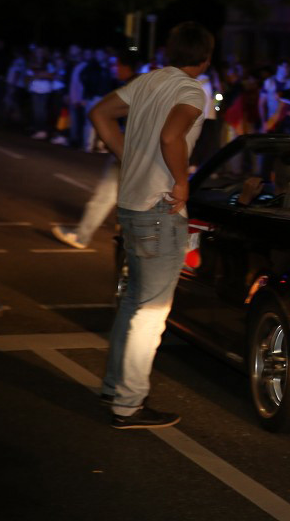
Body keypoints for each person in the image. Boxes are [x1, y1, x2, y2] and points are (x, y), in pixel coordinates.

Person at [89, 22, 212, 429]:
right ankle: (129, 404)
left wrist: (129, 156)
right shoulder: (193, 90)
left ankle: (114, 388)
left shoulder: (147, 82)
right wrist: (181, 180)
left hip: (131, 203)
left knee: (133, 302)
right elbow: (171, 135)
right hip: (160, 208)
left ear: (170, 51)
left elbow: (100, 113)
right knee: (152, 312)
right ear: (206, 57)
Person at [52, 51, 141, 249]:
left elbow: (102, 112)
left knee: (107, 196)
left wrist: (112, 140)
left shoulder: (135, 87)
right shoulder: (145, 85)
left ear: (127, 67)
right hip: (137, 151)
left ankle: (82, 236)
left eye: (118, 65)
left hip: (128, 150)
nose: (115, 69)